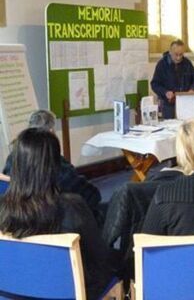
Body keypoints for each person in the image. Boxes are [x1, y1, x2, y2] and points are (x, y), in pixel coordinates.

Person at [0, 128, 117, 300]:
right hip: (72, 292)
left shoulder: (3, 208)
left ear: (15, 164)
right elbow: (101, 259)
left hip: (14, 291)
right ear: (54, 165)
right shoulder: (71, 207)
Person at [2, 110, 102, 223]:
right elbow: (91, 195)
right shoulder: (57, 164)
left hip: (20, 218)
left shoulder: (13, 158)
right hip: (55, 220)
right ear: (50, 132)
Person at [151, 39, 194, 119]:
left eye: (181, 54)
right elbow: (154, 84)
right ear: (170, 52)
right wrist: (165, 92)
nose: (178, 58)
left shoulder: (187, 63)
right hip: (168, 106)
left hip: (185, 103)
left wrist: (192, 89)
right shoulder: (162, 64)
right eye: (176, 54)